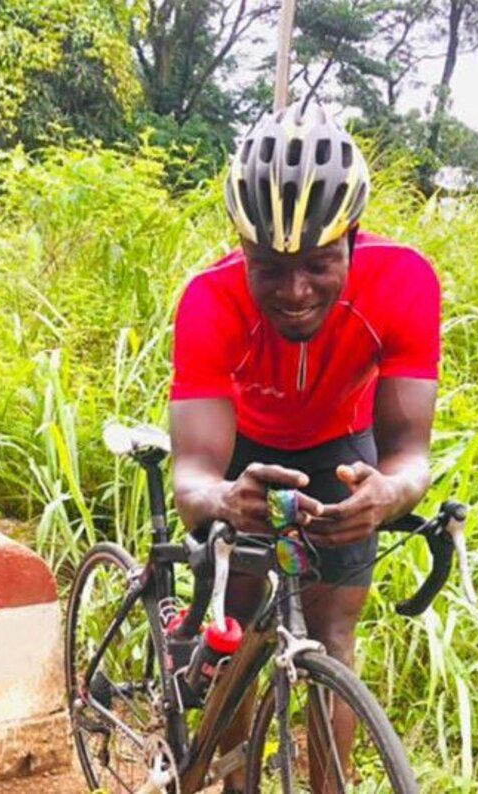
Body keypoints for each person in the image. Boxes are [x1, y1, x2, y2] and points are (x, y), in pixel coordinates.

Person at [168, 99, 441, 790]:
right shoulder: (209, 299)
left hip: (342, 453)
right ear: (242, 252)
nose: (294, 292)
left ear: (352, 238)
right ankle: (234, 782)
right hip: (244, 453)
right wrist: (225, 498)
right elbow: (193, 477)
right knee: (235, 633)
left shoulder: (403, 282)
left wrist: (389, 494)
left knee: (333, 642)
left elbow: (410, 452)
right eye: (268, 267)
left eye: (319, 264)